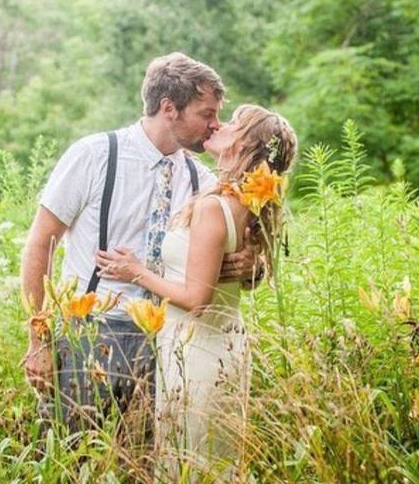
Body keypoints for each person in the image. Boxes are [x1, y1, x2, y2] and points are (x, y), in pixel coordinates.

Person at [20, 52, 260, 435]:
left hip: (167, 342)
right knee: (72, 455)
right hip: (89, 334)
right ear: (169, 108)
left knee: (145, 464)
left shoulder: (203, 181)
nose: (215, 125)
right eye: (206, 114)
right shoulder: (95, 155)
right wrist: (40, 339)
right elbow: (39, 244)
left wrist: (251, 267)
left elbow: (227, 262)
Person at [97, 104, 297, 478]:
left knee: (188, 463)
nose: (220, 125)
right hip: (224, 347)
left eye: (233, 123)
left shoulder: (213, 206)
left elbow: (196, 300)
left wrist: (135, 271)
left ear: (245, 146)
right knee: (215, 462)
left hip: (197, 351)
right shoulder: (248, 204)